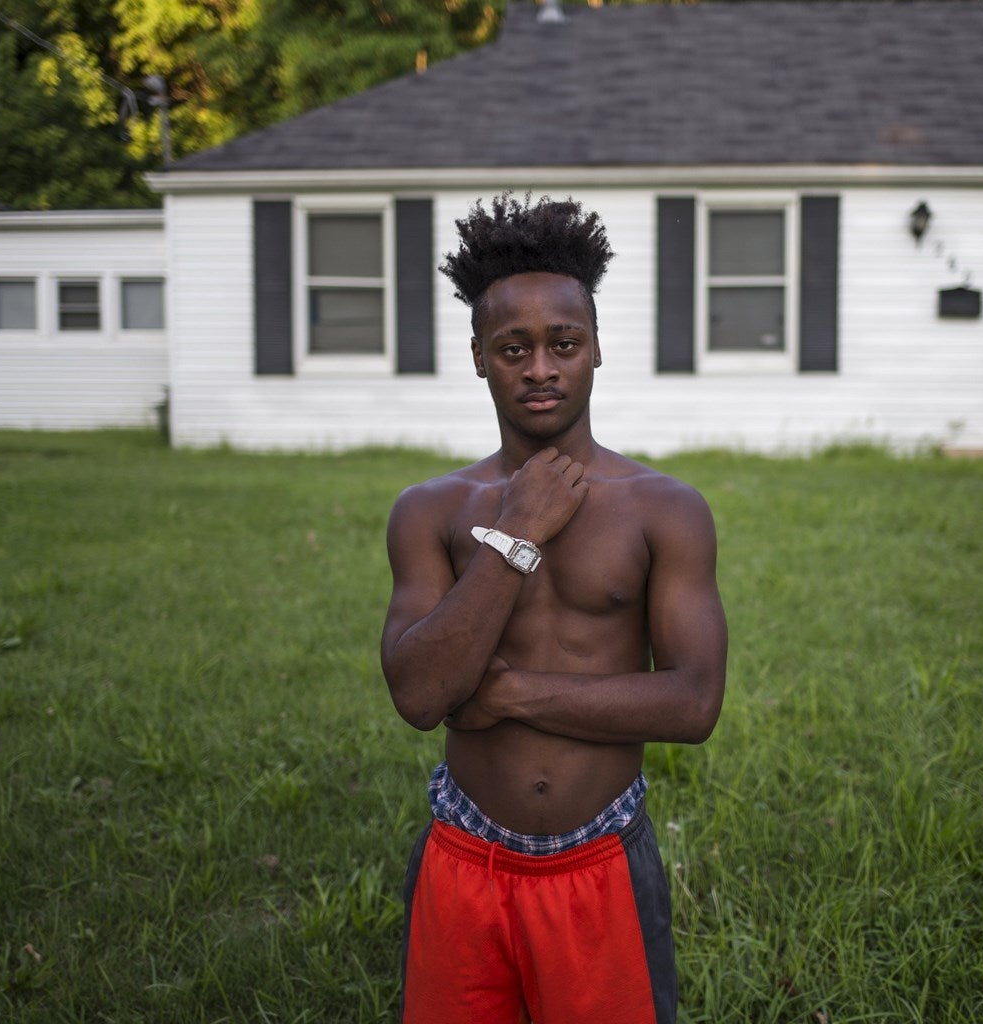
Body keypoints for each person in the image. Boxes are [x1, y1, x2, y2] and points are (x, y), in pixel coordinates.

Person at [380, 193, 728, 1024]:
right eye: (513, 348)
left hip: (602, 858)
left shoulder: (663, 508)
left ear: (597, 348)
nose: (540, 368)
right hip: (464, 859)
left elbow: (694, 702)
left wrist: (512, 695)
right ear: (478, 358)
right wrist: (514, 533)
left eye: (563, 343)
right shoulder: (430, 510)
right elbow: (420, 696)